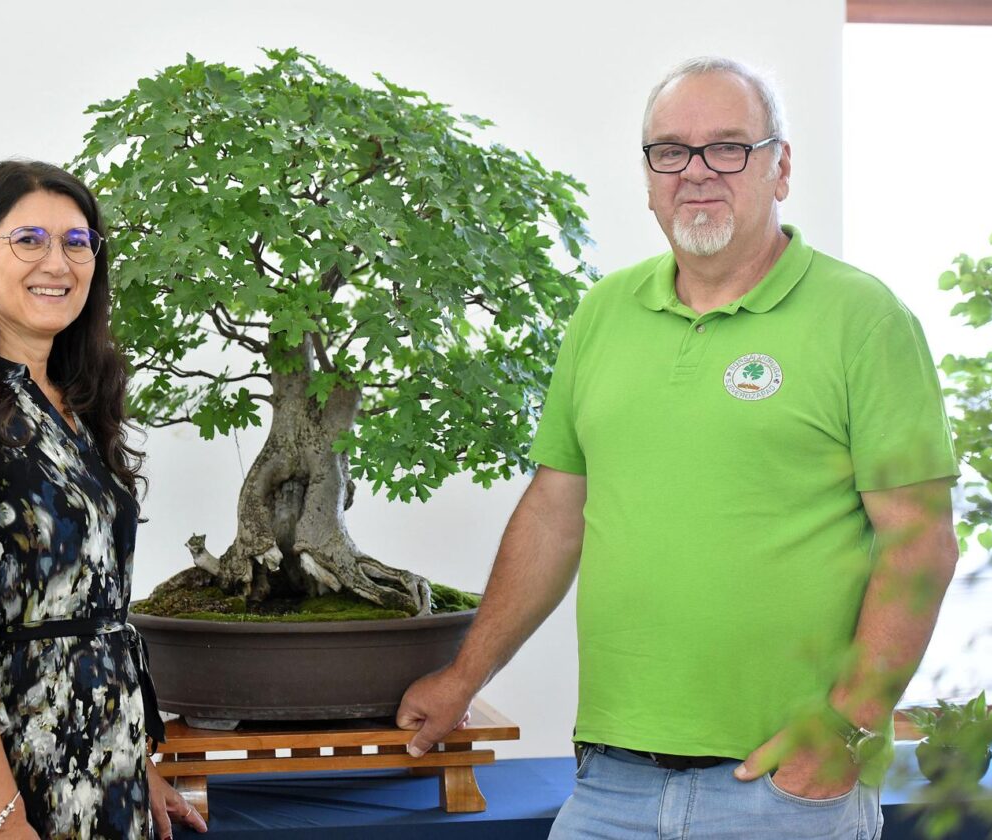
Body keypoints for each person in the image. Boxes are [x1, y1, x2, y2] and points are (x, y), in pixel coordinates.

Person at [396, 57, 960, 839]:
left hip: (781, 791)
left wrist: (844, 732)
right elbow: (555, 512)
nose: (696, 172)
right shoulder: (603, 312)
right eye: (671, 151)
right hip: (609, 783)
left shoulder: (863, 319)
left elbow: (920, 542)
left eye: (727, 147)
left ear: (780, 167)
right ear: (649, 176)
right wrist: (465, 674)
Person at [0, 160, 208, 839]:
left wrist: (133, 766)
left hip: (103, 786)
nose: (57, 262)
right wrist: (4, 822)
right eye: (29, 239)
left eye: (76, 241)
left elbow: (89, 614)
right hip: (8, 799)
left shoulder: (75, 405)